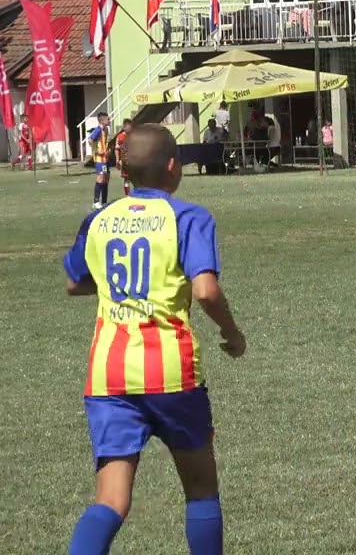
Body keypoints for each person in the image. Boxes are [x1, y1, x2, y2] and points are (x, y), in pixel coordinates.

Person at [61, 123, 247, 555]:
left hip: (109, 377)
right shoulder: (188, 216)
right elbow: (204, 290)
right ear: (172, 167)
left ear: (125, 172)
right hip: (171, 372)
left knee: (111, 500)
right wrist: (233, 334)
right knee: (201, 490)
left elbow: (74, 283)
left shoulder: (99, 219)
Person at [87, 112, 113, 210]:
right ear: (102, 120)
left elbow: (104, 143)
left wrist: (107, 150)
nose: (109, 121)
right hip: (99, 159)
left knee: (106, 178)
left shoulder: (105, 130)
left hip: (105, 159)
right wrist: (97, 150)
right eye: (108, 119)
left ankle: (104, 201)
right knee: (100, 178)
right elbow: (90, 140)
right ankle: (96, 201)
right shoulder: (98, 130)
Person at [114, 119, 135, 196]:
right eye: (128, 127)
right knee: (126, 179)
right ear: (124, 127)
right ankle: (127, 195)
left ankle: (138, 195)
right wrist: (117, 160)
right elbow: (116, 149)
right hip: (125, 162)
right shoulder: (120, 137)